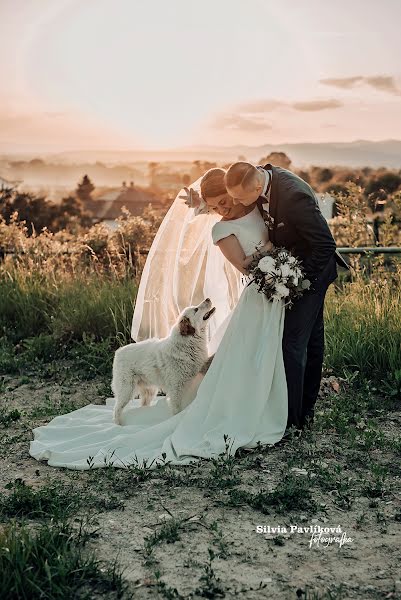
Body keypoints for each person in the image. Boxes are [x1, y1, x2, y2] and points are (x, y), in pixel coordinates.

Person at [29, 168, 288, 470]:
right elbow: (245, 266)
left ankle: (266, 404)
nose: (221, 209)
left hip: (275, 292)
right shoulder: (221, 230)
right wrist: (275, 256)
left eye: (223, 202)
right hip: (262, 287)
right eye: (214, 206)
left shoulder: (253, 205)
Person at [223, 161, 349, 430]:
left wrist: (300, 282)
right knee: (311, 339)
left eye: (238, 198)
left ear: (258, 187)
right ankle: (303, 413)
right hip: (291, 266)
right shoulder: (255, 179)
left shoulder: (294, 197)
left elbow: (326, 244)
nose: (235, 203)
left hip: (312, 270)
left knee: (292, 342)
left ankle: (291, 420)